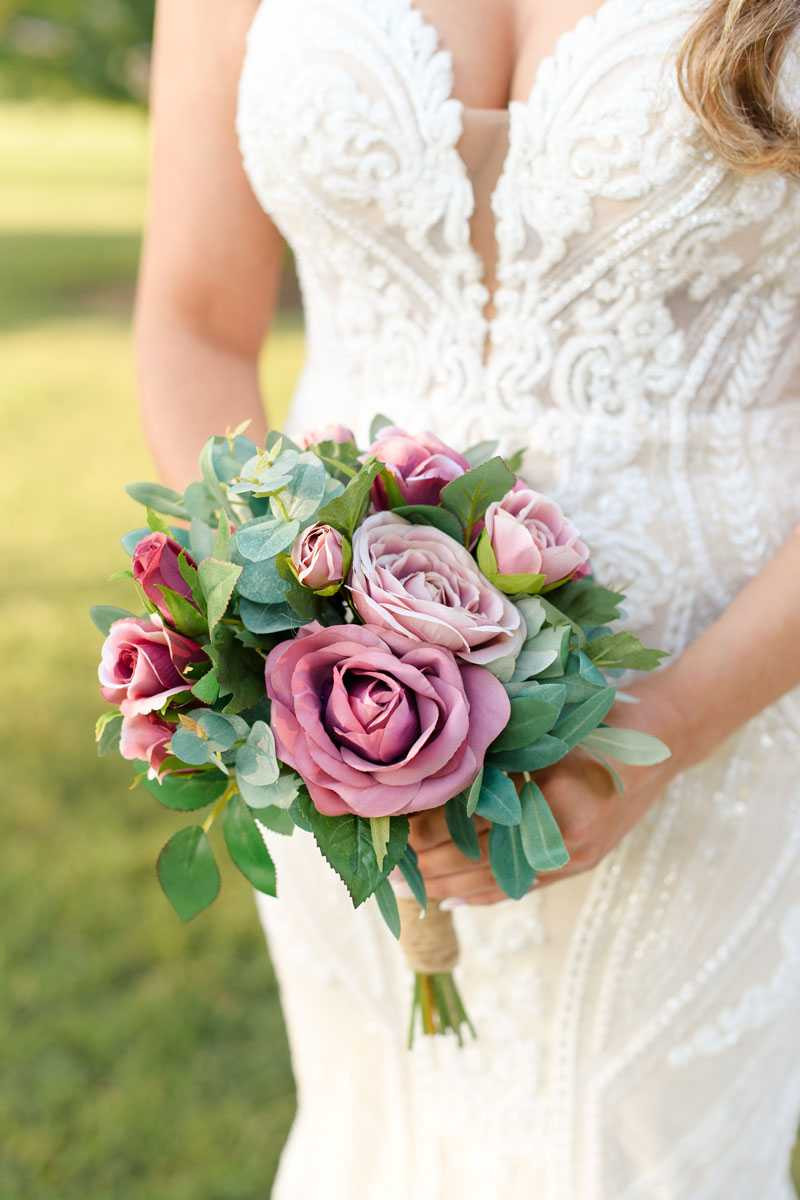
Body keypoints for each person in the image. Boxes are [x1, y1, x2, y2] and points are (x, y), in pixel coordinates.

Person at [134, 1, 800, 1195]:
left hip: (723, 701)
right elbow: (193, 323)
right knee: (376, 1132)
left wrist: (663, 736)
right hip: (335, 714)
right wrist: (271, 632)